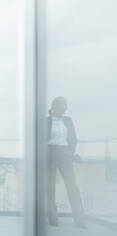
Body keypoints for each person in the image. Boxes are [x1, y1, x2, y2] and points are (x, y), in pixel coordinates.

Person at [47, 96, 86, 228]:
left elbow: (74, 138)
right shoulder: (46, 121)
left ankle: (80, 220)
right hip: (50, 153)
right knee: (50, 188)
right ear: (55, 107)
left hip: (64, 153)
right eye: (63, 105)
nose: (65, 108)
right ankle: (53, 220)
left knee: (72, 186)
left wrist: (70, 152)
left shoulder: (68, 121)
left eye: (66, 105)